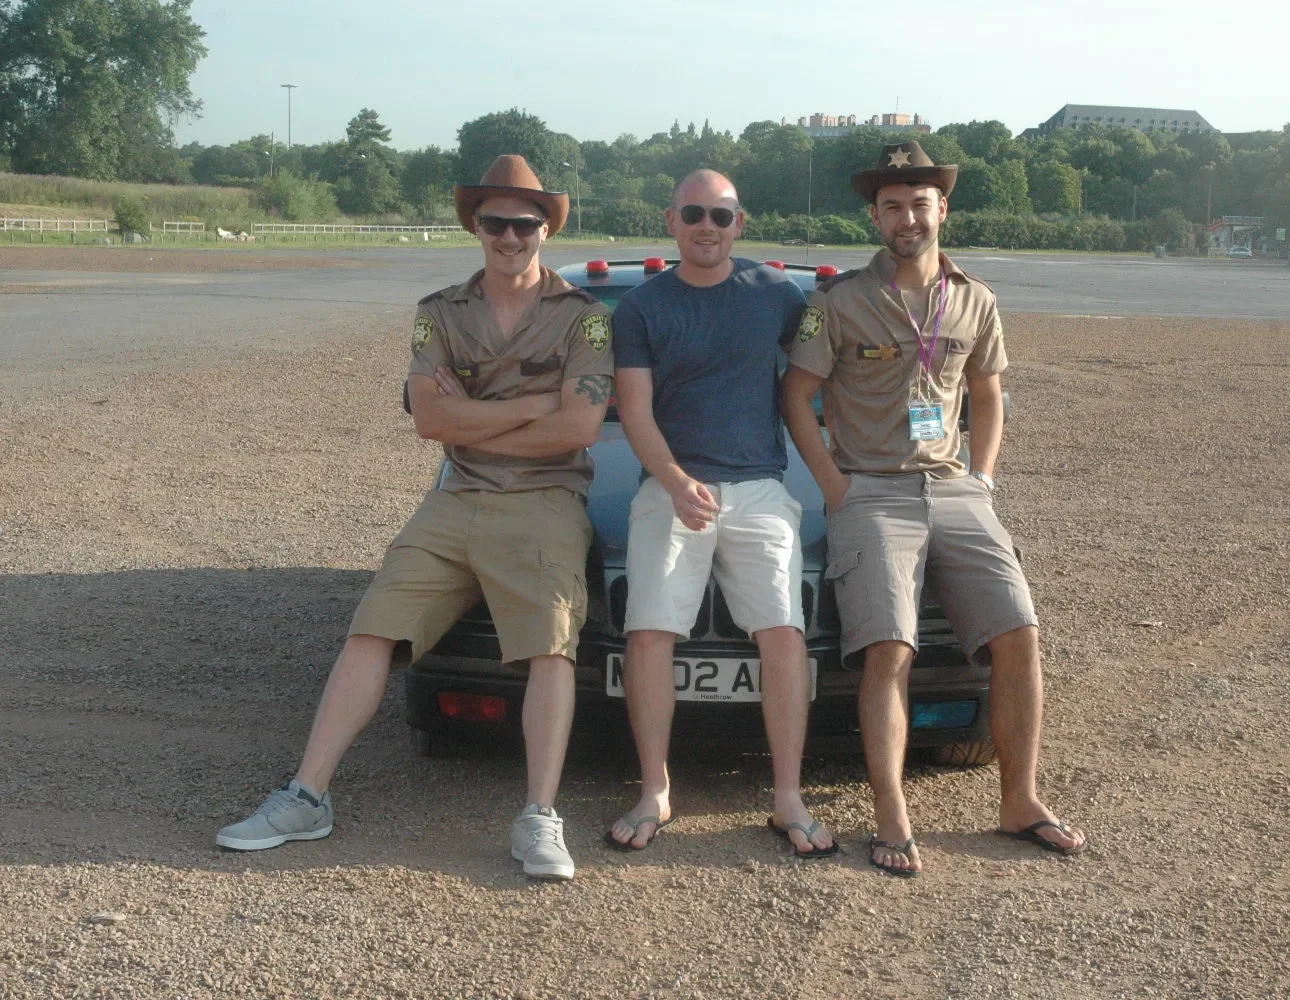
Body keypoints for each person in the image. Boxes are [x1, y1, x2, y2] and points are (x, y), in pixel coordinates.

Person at [216, 155, 614, 882]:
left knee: (551, 645)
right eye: (495, 222)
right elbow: (430, 421)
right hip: (455, 499)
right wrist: (531, 404)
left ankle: (539, 817)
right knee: (373, 626)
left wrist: (477, 418)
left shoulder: (583, 320)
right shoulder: (438, 313)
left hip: (544, 501)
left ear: (545, 230)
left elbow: (581, 427)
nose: (510, 236)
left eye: (525, 224)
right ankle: (307, 795)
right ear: (475, 225)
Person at [782, 141, 1085, 877]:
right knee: (890, 647)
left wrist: (982, 477)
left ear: (942, 209)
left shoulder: (976, 299)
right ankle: (892, 812)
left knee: (1019, 631)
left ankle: (1020, 800)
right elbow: (797, 396)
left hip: (953, 488)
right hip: (871, 492)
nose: (907, 217)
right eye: (892, 205)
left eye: (920, 203)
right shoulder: (839, 301)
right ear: (876, 216)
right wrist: (835, 487)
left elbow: (986, 392)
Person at [604, 169, 837, 857]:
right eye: (695, 213)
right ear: (671, 219)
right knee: (648, 632)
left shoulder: (776, 294)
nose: (708, 226)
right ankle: (655, 789)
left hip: (761, 488)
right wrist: (675, 481)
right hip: (672, 486)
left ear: (741, 222)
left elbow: (826, 365)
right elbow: (635, 412)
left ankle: (788, 797)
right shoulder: (640, 309)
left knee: (784, 632)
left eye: (722, 215)